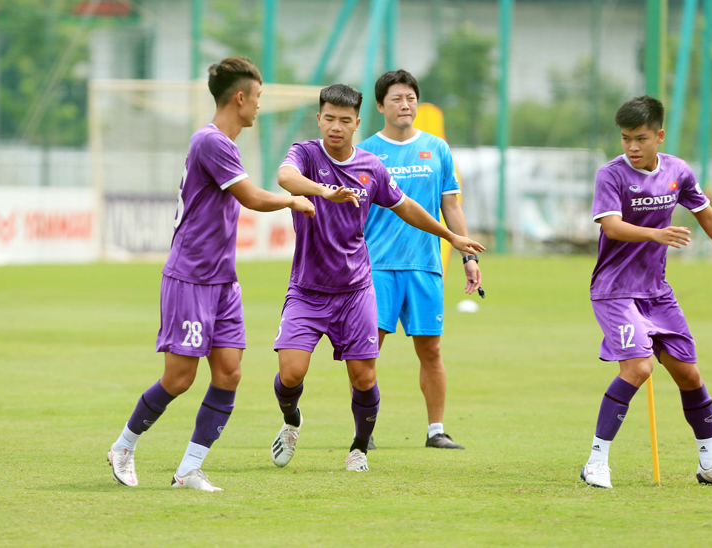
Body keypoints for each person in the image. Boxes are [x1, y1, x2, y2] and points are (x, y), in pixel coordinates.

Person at [106, 57, 315, 492]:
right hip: (190, 276)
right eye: (257, 98)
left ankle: (188, 470)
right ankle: (123, 446)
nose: (259, 106)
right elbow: (253, 199)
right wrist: (293, 200)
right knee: (180, 377)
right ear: (239, 98)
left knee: (229, 373)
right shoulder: (211, 141)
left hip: (222, 280)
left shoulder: (223, 143)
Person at [269, 84, 485, 472]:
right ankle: (291, 420)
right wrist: (325, 191)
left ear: (356, 124)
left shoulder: (371, 166)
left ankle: (359, 448)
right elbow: (285, 178)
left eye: (344, 120)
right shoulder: (304, 153)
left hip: (355, 290)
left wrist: (451, 237)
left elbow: (406, 207)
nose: (335, 126)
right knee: (290, 374)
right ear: (319, 119)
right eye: (329, 118)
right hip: (307, 288)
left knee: (365, 376)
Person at [581, 95, 712, 489]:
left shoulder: (678, 171)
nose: (632, 147)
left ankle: (710, 465)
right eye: (625, 139)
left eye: (640, 138)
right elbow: (612, 227)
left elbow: (707, 215)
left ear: (659, 135)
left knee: (689, 375)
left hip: (657, 291)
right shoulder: (611, 175)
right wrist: (656, 233)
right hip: (615, 291)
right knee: (638, 367)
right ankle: (595, 462)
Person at [360, 70, 481, 450]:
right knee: (367, 349)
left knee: (431, 350)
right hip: (376, 265)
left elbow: (450, 205)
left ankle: (436, 431)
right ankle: (365, 430)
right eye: (396, 98)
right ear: (381, 105)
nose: (405, 104)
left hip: (425, 265)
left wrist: (466, 256)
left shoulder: (437, 148)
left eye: (411, 97)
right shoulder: (364, 152)